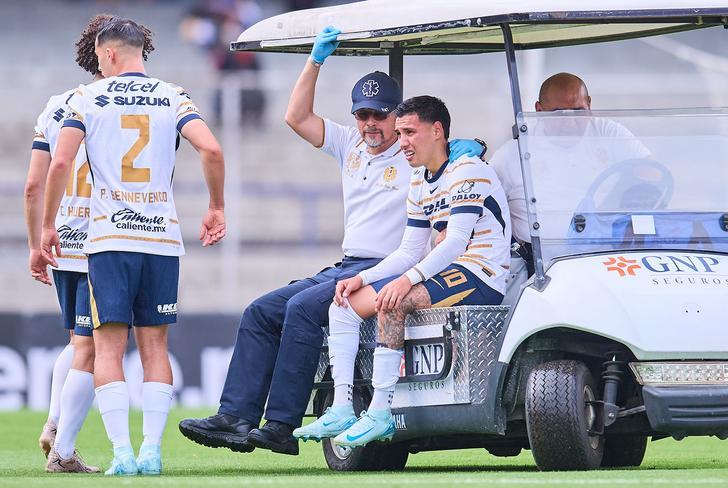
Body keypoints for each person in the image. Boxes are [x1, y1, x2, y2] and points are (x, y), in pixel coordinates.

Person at [178, 26, 485, 456]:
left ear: (397, 117)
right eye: (363, 115)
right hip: (347, 263)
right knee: (262, 311)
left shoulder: (412, 149)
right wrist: (315, 60)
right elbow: (296, 117)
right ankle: (235, 416)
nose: (370, 125)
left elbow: (443, 158)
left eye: (380, 116)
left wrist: (461, 149)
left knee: (304, 309)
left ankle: (281, 424)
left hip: (388, 265)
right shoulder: (351, 144)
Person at [39, 18, 226, 476]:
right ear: (142, 50)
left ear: (106, 54)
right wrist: (216, 206)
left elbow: (61, 160)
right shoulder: (173, 95)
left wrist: (47, 225)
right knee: (156, 349)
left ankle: (121, 453)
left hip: (109, 240)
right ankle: (151, 452)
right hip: (161, 239)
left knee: (106, 350)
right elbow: (213, 151)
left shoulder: (87, 97)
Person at [291, 95, 511, 446]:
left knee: (394, 302)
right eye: (400, 132)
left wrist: (407, 280)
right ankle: (342, 407)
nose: (402, 141)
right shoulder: (420, 180)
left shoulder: (468, 170)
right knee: (343, 306)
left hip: (481, 274)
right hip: (444, 271)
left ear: (437, 131)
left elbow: (455, 243)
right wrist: (360, 279)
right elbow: (409, 249)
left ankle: (380, 414)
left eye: (409, 132)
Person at [25, 14, 154, 474]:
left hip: (62, 236)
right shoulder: (134, 104)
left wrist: (37, 239)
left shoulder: (58, 104)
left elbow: (33, 184)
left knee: (78, 340)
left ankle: (56, 423)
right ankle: (61, 448)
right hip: (106, 236)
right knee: (90, 347)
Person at [488, 72, 650, 245]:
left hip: (610, 251)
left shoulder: (609, 133)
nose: (570, 122)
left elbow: (652, 174)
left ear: (589, 104)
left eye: (578, 111)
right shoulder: (513, 154)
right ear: (539, 110)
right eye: (559, 114)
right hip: (540, 261)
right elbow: (484, 200)